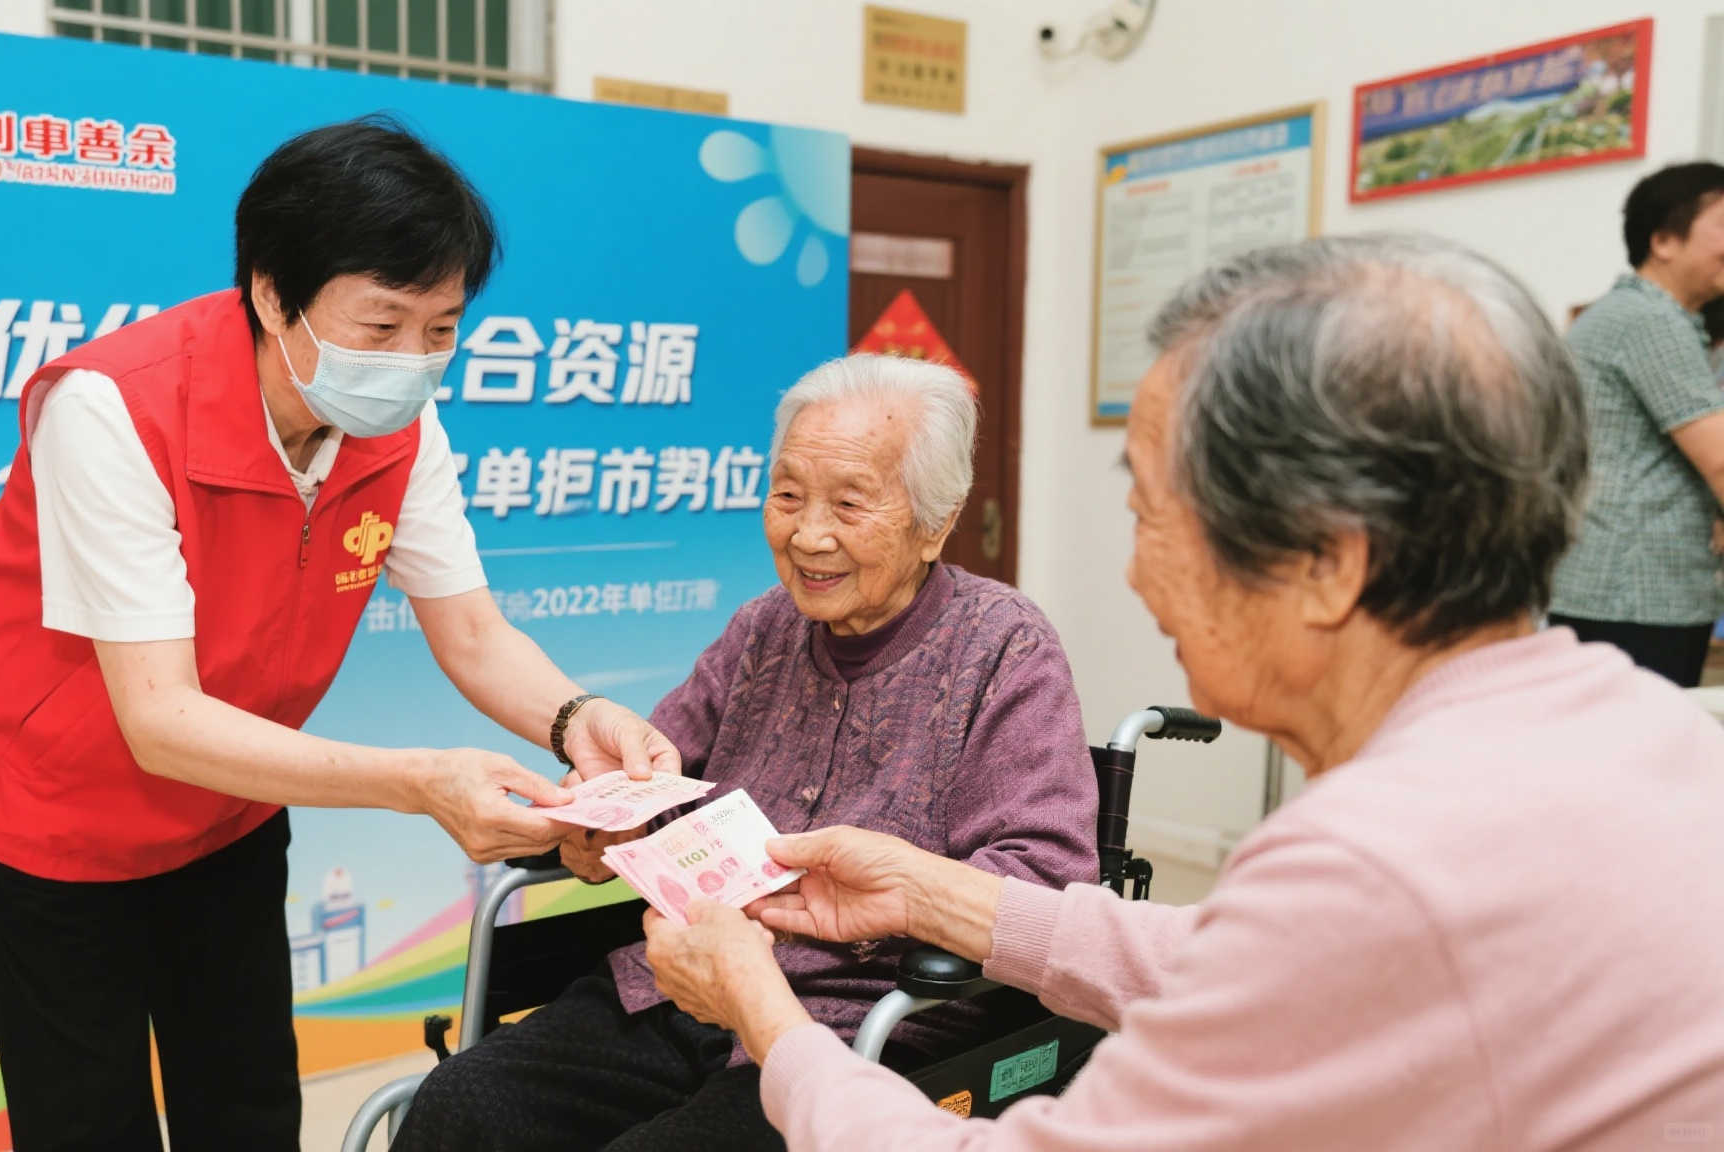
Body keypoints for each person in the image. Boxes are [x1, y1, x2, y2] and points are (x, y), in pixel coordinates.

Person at [646, 235, 1724, 1150]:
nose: (1133, 571)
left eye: (1154, 515)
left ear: (1325, 560)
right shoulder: (1639, 723)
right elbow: (1262, 965)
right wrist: (935, 894)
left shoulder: (1376, 864)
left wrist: (763, 1010)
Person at [0, 116, 678, 1152]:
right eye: (381, 326)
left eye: (442, 329)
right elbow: (156, 718)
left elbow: (469, 630)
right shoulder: (114, 408)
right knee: (85, 1119)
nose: (412, 361)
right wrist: (420, 783)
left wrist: (576, 718)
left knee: (244, 1102)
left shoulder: (396, 424)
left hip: (229, 796)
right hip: (56, 803)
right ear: (273, 295)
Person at [391, 355, 1098, 1151]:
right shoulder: (762, 630)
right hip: (677, 987)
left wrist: (904, 893)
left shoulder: (1004, 648)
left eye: (849, 504)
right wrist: (600, 823)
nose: (807, 534)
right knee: (461, 1106)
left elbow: (1048, 879)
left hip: (859, 1031)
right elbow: (655, 776)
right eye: (788, 495)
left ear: (934, 521)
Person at [1550, 162, 1724, 686]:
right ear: (1664, 240)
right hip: (1635, 596)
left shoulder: (1641, 317)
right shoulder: (1649, 322)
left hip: (1624, 593)